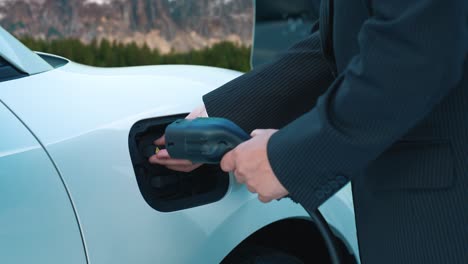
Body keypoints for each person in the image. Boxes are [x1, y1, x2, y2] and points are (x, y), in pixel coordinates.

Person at [150, 0, 468, 263]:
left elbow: (415, 52)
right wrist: (224, 112)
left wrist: (289, 158)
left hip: (442, 226)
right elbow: (342, 46)